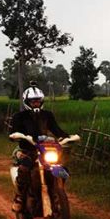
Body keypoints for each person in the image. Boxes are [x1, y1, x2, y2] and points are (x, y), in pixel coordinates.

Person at [9, 82, 69, 212]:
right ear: (27, 102)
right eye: (33, 101)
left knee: (62, 169)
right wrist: (18, 135)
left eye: (38, 101)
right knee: (25, 168)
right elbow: (13, 132)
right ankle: (19, 197)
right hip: (25, 149)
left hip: (44, 149)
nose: (36, 103)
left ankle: (58, 194)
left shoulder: (47, 115)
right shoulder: (19, 116)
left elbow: (56, 130)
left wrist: (66, 137)